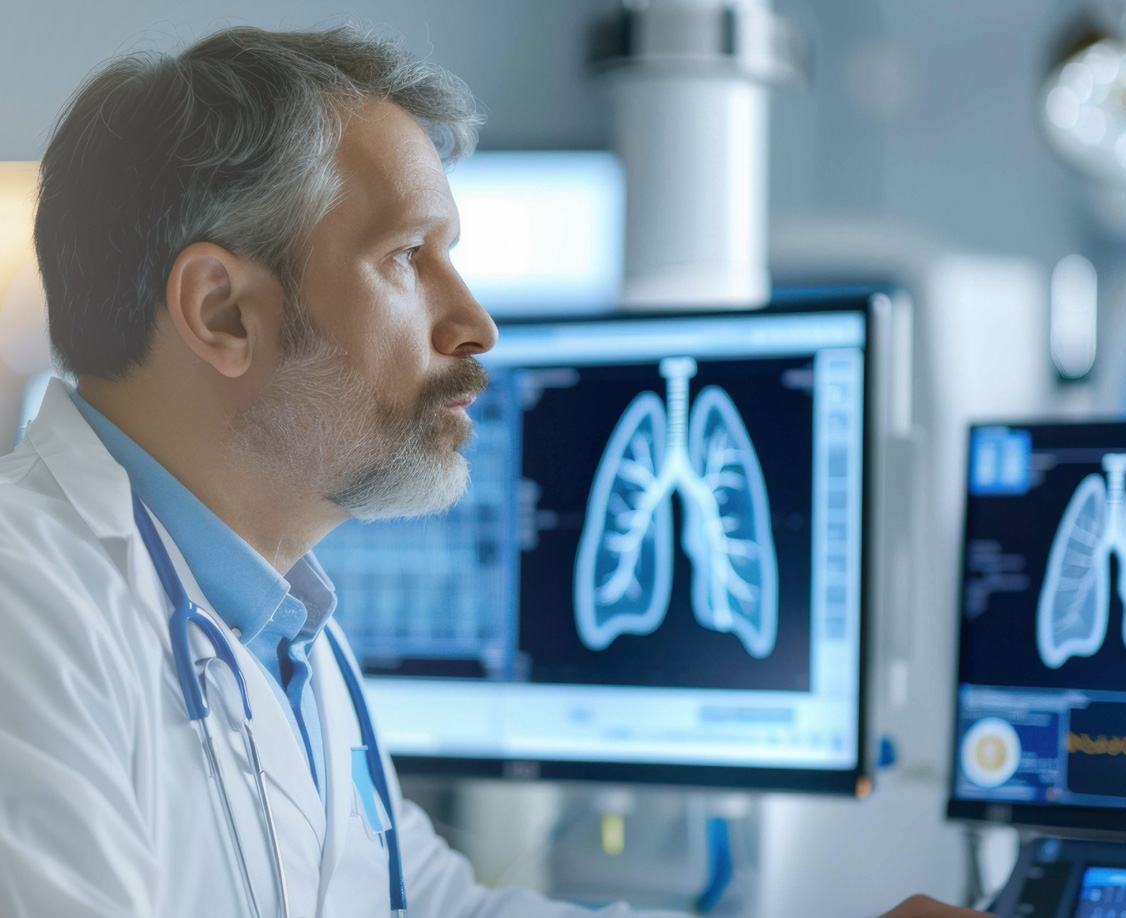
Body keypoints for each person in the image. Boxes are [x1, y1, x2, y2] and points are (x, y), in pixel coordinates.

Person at [0, 22, 984, 918]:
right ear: (221, 313)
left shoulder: (278, 622)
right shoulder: (28, 606)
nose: (475, 323)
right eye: (407, 257)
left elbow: (432, 908)